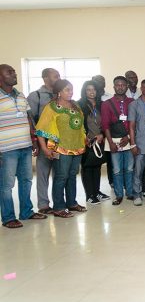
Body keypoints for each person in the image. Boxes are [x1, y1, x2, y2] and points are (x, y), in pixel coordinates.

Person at [0, 64, 47, 228]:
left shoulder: (20, 95)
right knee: (7, 185)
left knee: (26, 180)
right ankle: (8, 218)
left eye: (14, 71)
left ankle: (26, 211)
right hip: (6, 149)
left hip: (25, 146)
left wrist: (33, 140)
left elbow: (28, 118)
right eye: (9, 72)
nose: (14, 74)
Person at [36, 79, 87, 218]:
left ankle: (72, 203)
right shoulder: (51, 107)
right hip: (60, 148)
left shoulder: (75, 105)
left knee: (72, 175)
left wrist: (84, 138)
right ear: (59, 92)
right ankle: (59, 207)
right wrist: (44, 148)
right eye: (67, 90)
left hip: (77, 147)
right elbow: (40, 129)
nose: (71, 92)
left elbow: (80, 125)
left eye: (72, 89)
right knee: (61, 176)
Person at [27, 67, 60, 214]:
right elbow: (31, 119)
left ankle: (59, 202)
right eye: (55, 76)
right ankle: (43, 205)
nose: (58, 78)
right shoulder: (36, 96)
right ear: (45, 78)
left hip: (59, 140)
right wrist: (35, 141)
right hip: (44, 140)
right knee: (43, 173)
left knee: (59, 173)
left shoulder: (61, 94)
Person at [101, 76, 134, 205]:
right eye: (118, 85)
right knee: (117, 170)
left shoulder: (132, 102)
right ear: (114, 86)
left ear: (127, 87)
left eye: (123, 85)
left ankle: (130, 193)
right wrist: (110, 143)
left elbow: (135, 122)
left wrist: (129, 137)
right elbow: (105, 125)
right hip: (114, 140)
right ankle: (119, 195)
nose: (120, 87)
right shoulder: (107, 104)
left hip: (129, 139)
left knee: (129, 168)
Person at [78, 80, 110, 205]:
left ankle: (97, 192)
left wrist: (102, 134)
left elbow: (106, 122)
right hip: (86, 141)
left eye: (94, 89)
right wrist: (85, 137)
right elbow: (77, 124)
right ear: (84, 91)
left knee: (97, 166)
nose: (91, 92)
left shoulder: (101, 105)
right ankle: (89, 195)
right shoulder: (79, 105)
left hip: (99, 140)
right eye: (88, 90)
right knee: (87, 167)